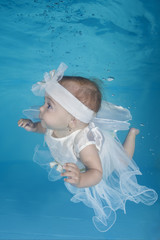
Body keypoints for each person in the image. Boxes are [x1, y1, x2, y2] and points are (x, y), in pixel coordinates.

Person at [18, 63, 158, 232]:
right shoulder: (55, 123)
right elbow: (44, 128)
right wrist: (34, 126)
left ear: (72, 120)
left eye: (49, 105)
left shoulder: (84, 143)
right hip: (76, 159)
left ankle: (132, 133)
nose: (40, 108)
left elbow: (97, 172)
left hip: (97, 159)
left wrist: (82, 179)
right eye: (45, 102)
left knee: (121, 161)